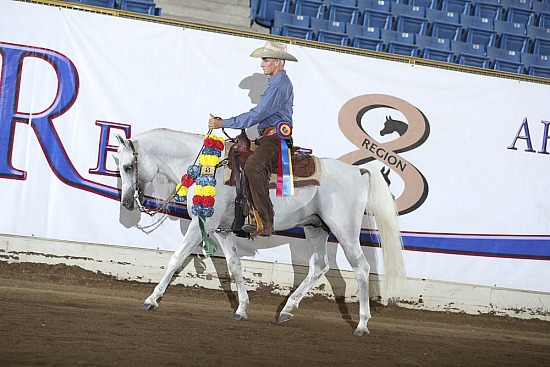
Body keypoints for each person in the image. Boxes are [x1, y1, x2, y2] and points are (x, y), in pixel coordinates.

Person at [208, 41, 298, 237]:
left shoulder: (280, 85)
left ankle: (265, 221)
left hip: (275, 139)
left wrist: (224, 123)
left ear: (277, 62)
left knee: (253, 166)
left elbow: (257, 114)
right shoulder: (276, 83)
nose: (261, 64)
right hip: (267, 136)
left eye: (265, 60)